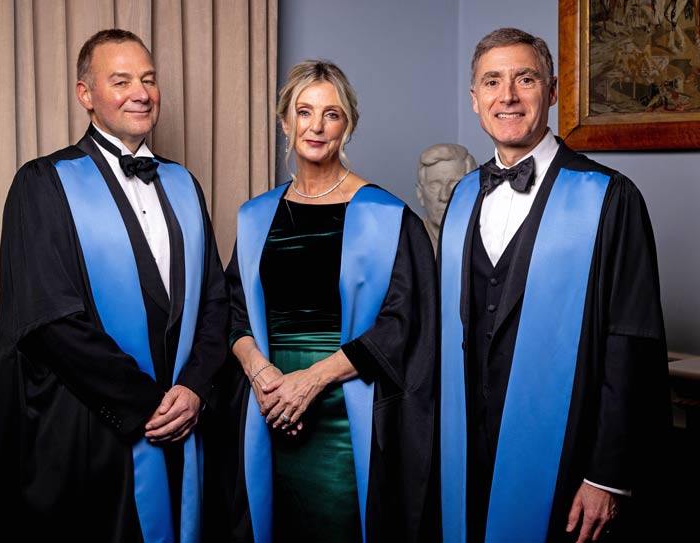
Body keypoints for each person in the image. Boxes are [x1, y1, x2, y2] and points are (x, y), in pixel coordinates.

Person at [0, 29, 228, 542]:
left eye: (149, 79)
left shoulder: (184, 184)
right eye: (121, 81)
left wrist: (195, 389)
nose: (141, 92)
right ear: (86, 95)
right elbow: (50, 319)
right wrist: (145, 403)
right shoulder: (44, 183)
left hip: (181, 423)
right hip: (90, 431)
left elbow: (213, 301)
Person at [438, 28, 669, 543]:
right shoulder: (461, 198)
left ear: (553, 90)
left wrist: (606, 475)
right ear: (474, 99)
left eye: (526, 79)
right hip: (469, 450)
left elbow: (631, 341)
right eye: (492, 82)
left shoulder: (610, 197)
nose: (508, 96)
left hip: (569, 452)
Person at [224, 60, 439, 542]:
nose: (316, 127)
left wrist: (313, 379)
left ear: (349, 126)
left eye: (332, 114)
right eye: (304, 112)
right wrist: (262, 375)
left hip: (348, 413)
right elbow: (231, 310)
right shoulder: (256, 216)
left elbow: (406, 323)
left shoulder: (389, 217)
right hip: (268, 407)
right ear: (285, 122)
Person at [416, 143, 477, 251]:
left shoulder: (488, 243)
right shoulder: (405, 246)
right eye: (434, 185)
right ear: (420, 193)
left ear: (473, 192)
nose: (444, 197)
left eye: (455, 185)